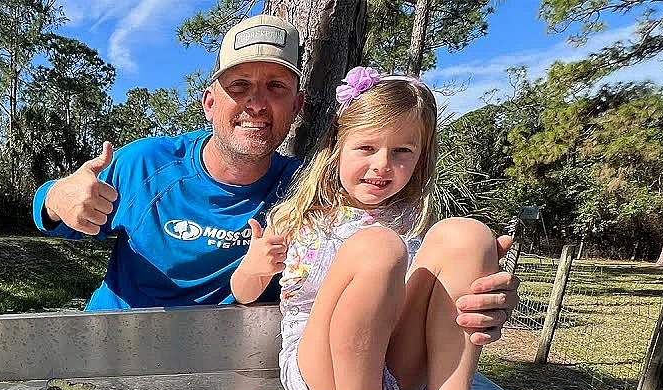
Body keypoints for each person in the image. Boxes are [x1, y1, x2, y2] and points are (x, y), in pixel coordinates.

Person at [32, 16, 518, 349]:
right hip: (117, 341)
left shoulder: (313, 192)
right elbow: (55, 213)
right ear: (210, 101)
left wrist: (466, 293)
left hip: (239, 357)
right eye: (239, 86)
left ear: (297, 105)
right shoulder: (145, 163)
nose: (256, 103)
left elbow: (380, 260)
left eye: (276, 87)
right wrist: (57, 196)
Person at [231, 67, 518, 390]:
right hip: (325, 373)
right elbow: (243, 293)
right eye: (366, 147)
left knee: (469, 234)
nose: (382, 165)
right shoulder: (299, 218)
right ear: (337, 146)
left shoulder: (417, 224)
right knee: (378, 245)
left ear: (421, 158)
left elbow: (435, 307)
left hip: (399, 371)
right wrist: (253, 267)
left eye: (402, 151)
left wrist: (482, 279)